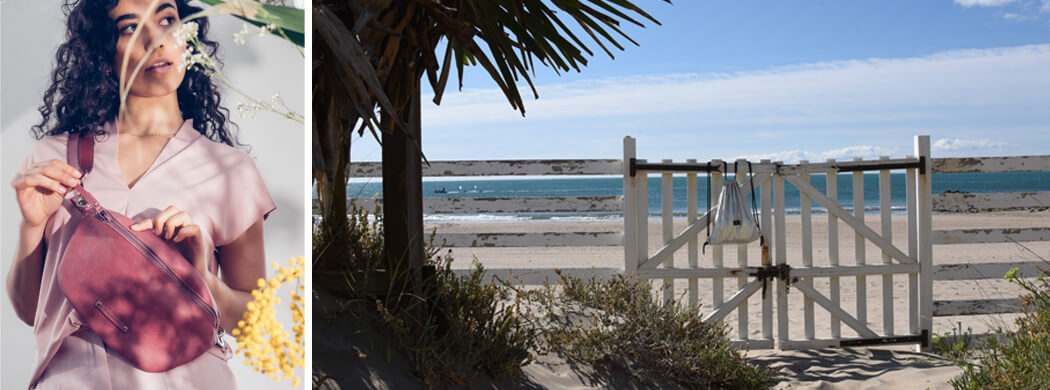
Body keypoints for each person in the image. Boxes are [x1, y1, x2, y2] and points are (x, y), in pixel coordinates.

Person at [6, 0, 275, 388]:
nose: (157, 39)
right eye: (130, 28)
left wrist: (202, 280)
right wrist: (31, 228)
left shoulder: (229, 170)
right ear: (103, 50)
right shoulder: (53, 158)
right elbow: (34, 312)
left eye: (167, 19)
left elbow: (257, 323)